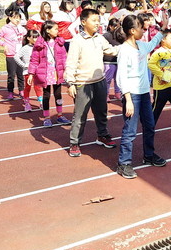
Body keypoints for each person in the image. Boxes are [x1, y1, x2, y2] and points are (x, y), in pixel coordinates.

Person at [115, 14, 165, 179]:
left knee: (149, 125)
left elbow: (153, 43)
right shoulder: (124, 50)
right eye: (141, 29)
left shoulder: (141, 46)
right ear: (131, 30)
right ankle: (124, 163)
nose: (144, 31)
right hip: (132, 95)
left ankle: (149, 155)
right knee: (130, 130)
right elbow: (121, 76)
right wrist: (128, 99)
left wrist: (164, 27)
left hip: (144, 93)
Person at [65, 9, 119, 157]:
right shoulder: (77, 40)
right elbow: (71, 63)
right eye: (94, 20)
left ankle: (102, 135)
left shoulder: (99, 38)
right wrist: (70, 83)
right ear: (83, 22)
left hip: (99, 81)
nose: (98, 23)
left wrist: (127, 47)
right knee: (80, 115)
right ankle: (74, 143)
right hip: (83, 83)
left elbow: (111, 50)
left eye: (98, 20)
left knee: (101, 111)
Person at [27, 20, 71, 127]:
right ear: (48, 30)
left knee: (58, 94)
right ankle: (46, 117)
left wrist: (67, 70)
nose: (57, 31)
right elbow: (34, 59)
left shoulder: (59, 42)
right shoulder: (40, 44)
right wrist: (31, 74)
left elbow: (64, 58)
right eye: (55, 29)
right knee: (46, 95)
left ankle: (60, 115)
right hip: (45, 73)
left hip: (57, 72)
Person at [0, 11, 26, 99]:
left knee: (20, 75)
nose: (17, 20)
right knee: (11, 75)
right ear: (10, 18)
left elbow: (27, 36)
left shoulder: (21, 28)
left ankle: (21, 91)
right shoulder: (5, 28)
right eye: (15, 18)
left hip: (20, 55)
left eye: (19, 18)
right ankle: (10, 92)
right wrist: (4, 45)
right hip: (11, 55)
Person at [14, 29, 43, 112]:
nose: (36, 39)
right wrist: (24, 65)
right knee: (27, 87)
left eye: (37, 37)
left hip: (37, 71)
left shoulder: (39, 47)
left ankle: (41, 102)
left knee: (38, 87)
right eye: (34, 38)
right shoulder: (25, 48)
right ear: (28, 38)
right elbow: (16, 57)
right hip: (27, 72)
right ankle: (27, 103)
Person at [102, 18, 123, 102]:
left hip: (118, 61)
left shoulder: (121, 35)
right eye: (115, 26)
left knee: (118, 79)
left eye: (118, 26)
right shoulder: (106, 36)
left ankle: (118, 93)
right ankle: (105, 94)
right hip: (108, 61)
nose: (117, 28)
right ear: (110, 26)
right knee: (107, 79)